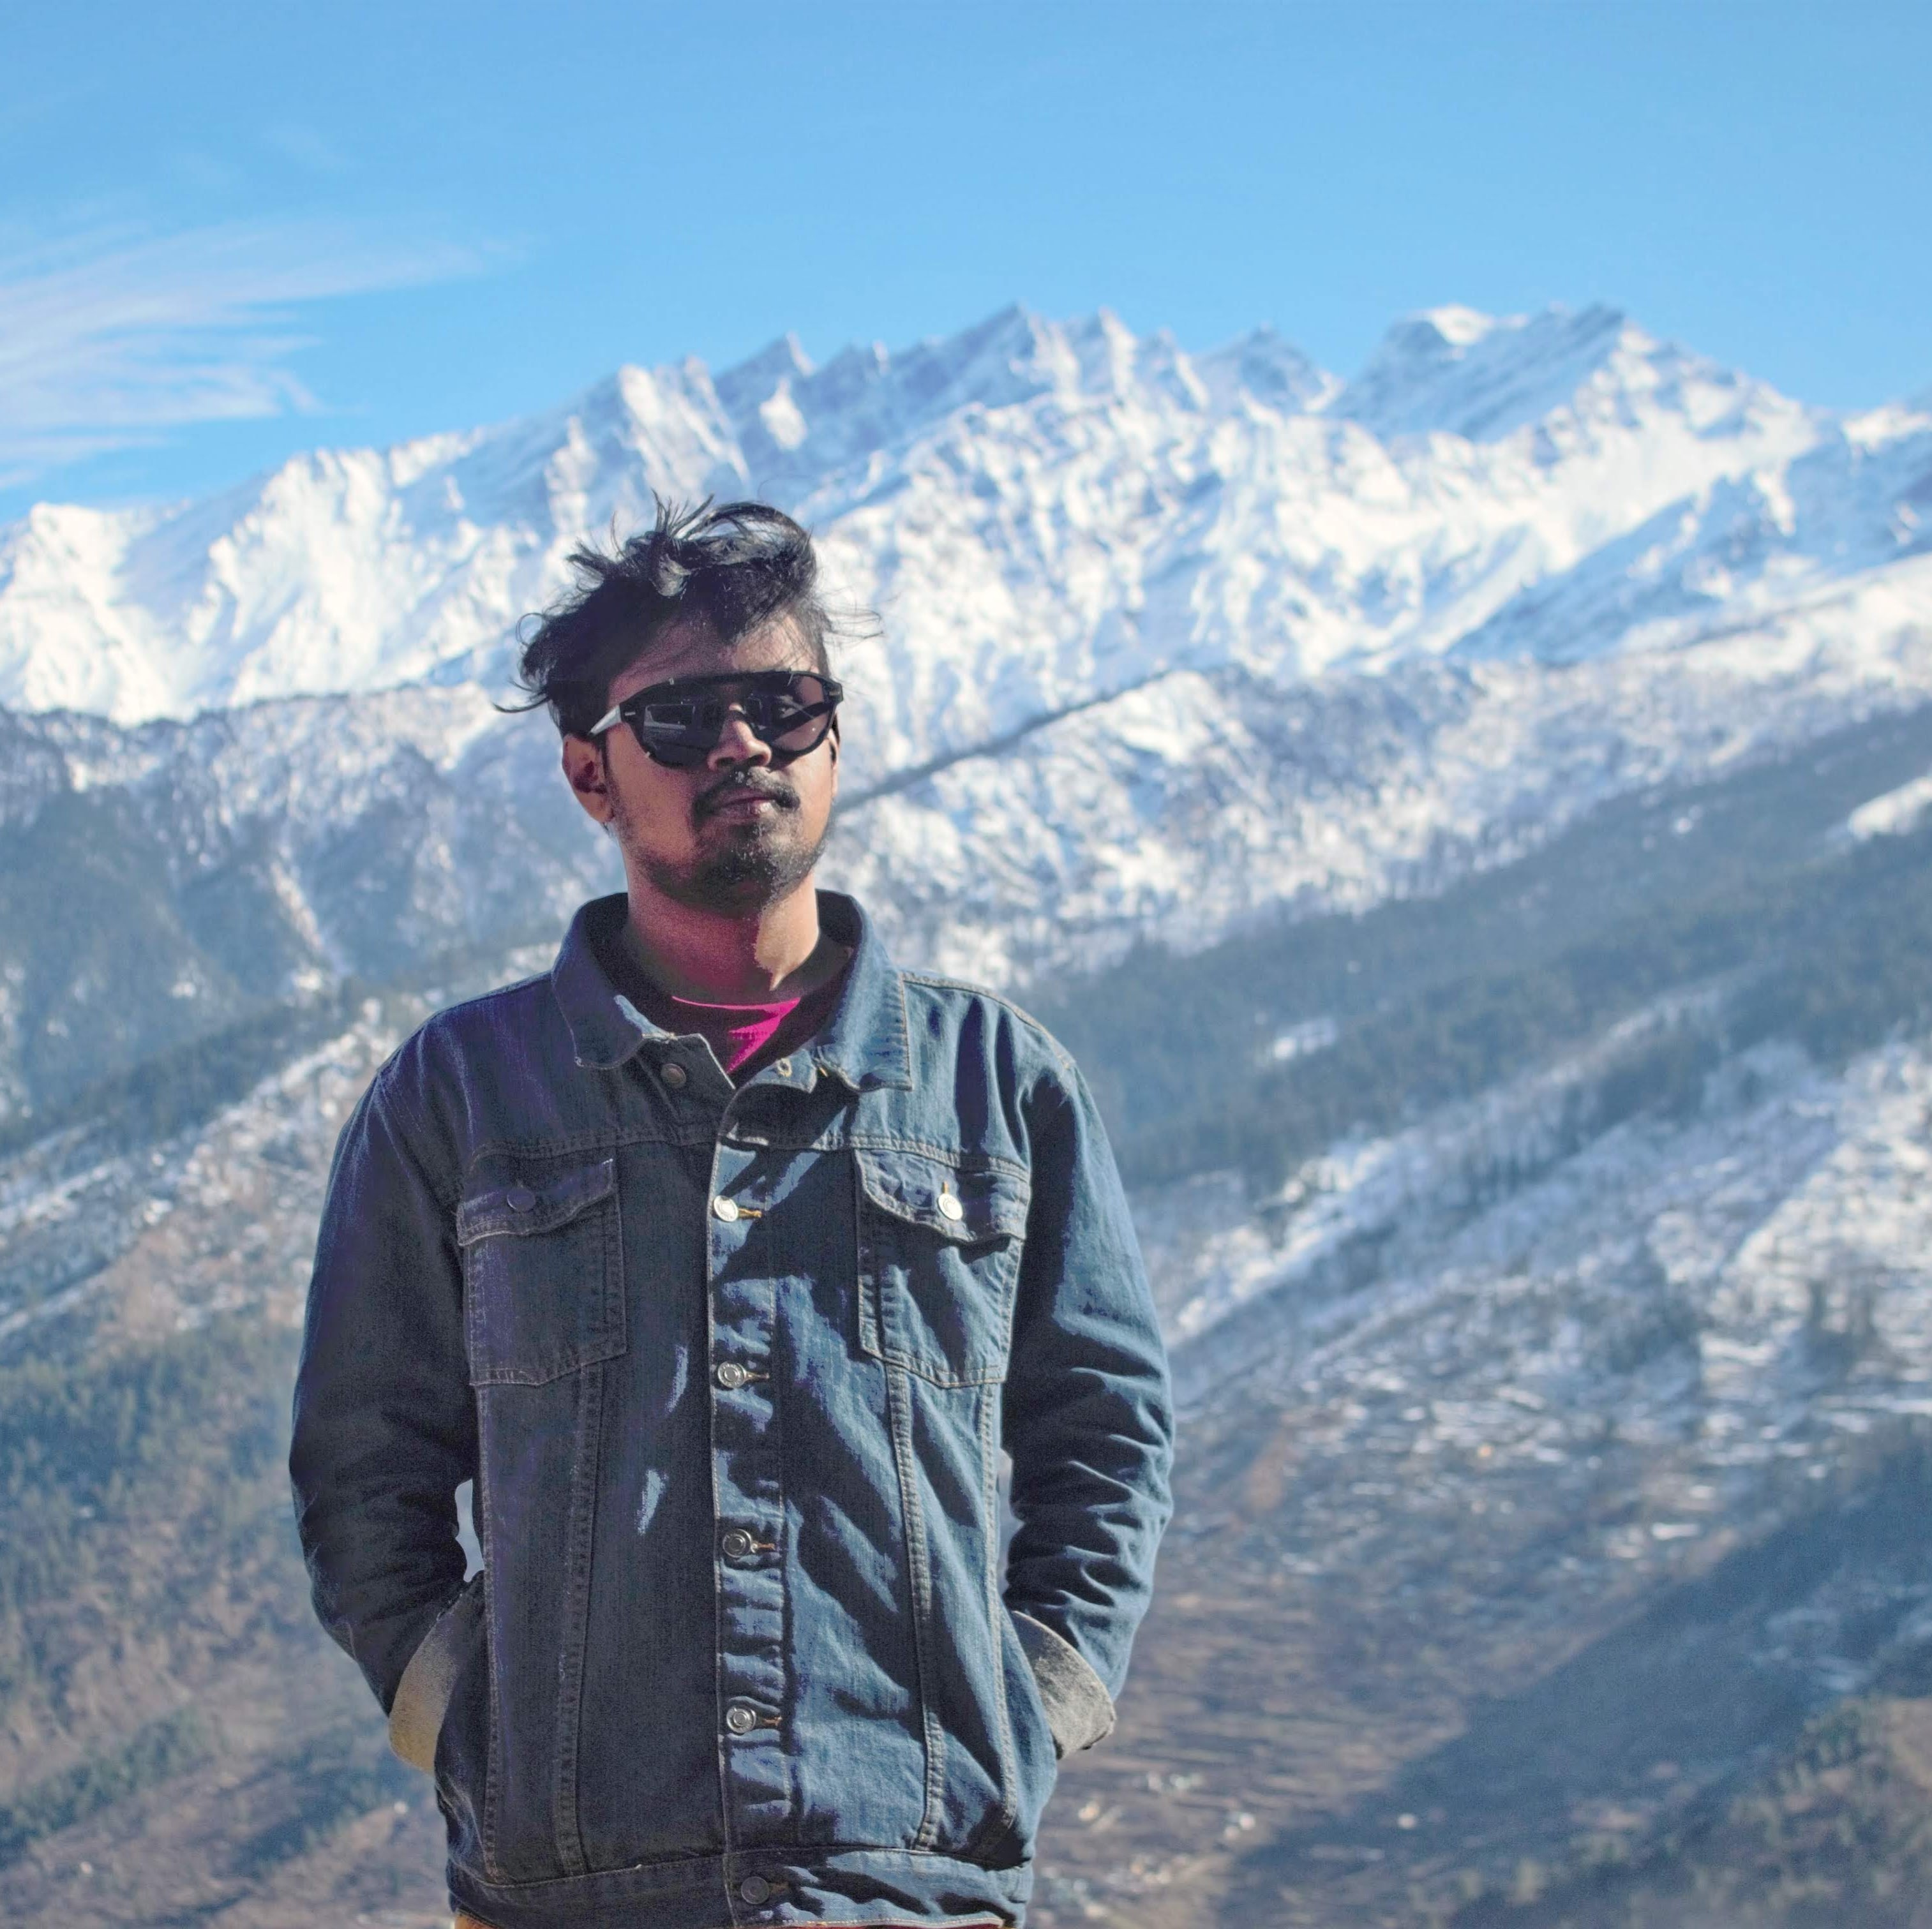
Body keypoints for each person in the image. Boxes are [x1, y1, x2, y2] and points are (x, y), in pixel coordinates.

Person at [289, 499, 1174, 1929]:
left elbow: (1105, 1432)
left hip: (913, 1885)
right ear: (590, 771)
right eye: (684, 717)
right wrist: (460, 1709)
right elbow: (360, 1459)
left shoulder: (994, 1088)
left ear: (834, 737)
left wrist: (1036, 1698)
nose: (743, 746)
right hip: (568, 1893)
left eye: (782, 704)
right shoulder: (461, 1095)